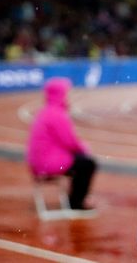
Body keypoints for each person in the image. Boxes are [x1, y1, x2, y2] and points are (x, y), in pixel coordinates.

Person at [27, 77, 96, 211]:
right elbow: (70, 142)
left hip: (40, 161)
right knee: (87, 164)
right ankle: (77, 203)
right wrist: (84, 148)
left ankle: (75, 199)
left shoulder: (45, 112)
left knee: (81, 162)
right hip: (49, 162)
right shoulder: (57, 114)